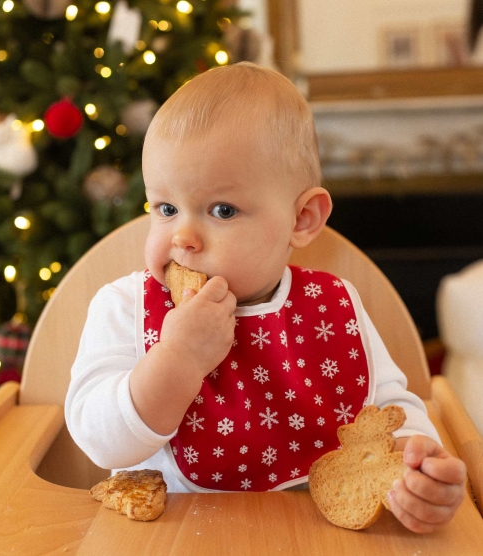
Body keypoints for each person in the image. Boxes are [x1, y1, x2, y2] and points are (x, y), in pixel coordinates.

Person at [65, 62, 466, 533]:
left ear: (301, 220)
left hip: (313, 535)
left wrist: (416, 471)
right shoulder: (125, 308)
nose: (184, 237)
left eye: (222, 209)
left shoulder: (331, 304)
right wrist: (177, 360)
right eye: (166, 208)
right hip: (173, 536)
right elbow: (98, 438)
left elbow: (388, 415)